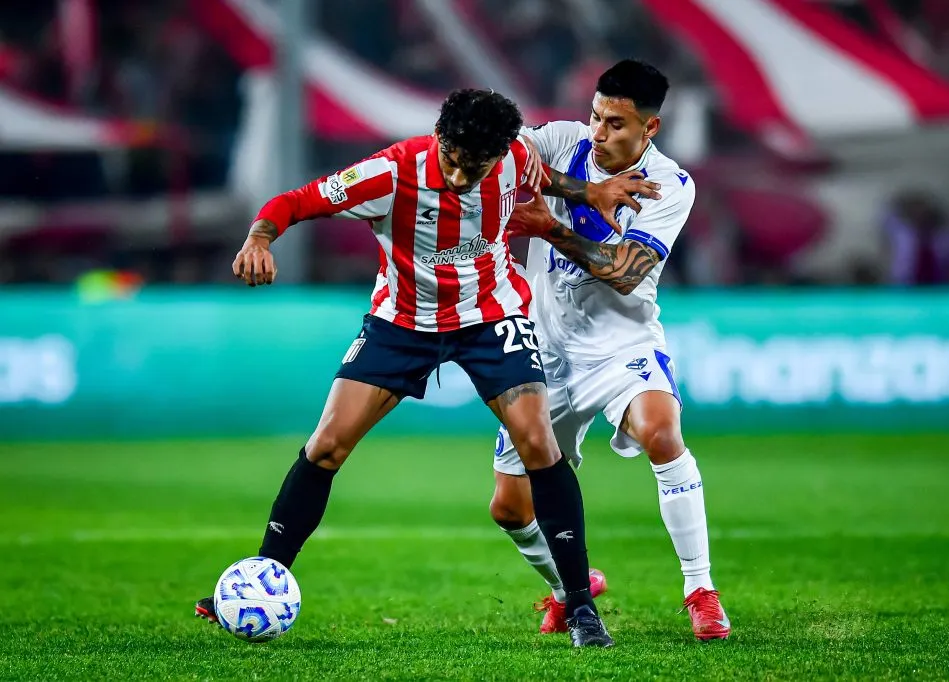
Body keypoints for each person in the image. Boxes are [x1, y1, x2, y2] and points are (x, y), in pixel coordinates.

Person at [193, 88, 658, 648]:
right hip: (403, 323)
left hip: (490, 316)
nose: (463, 177)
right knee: (327, 446)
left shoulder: (512, 156)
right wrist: (259, 237)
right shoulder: (389, 173)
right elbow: (295, 201)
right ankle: (262, 579)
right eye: (454, 160)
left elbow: (544, 177)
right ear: (439, 137)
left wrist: (591, 190)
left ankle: (581, 607)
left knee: (539, 444)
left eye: (477, 166)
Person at [487, 61, 732, 640]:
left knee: (661, 432)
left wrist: (550, 228)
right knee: (509, 509)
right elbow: (494, 159)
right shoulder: (559, 141)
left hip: (619, 342)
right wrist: (570, 188)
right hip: (542, 345)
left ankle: (701, 590)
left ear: (651, 129)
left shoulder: (670, 186)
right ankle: (566, 590)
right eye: (596, 115)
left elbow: (624, 273)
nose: (598, 132)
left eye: (616, 124)